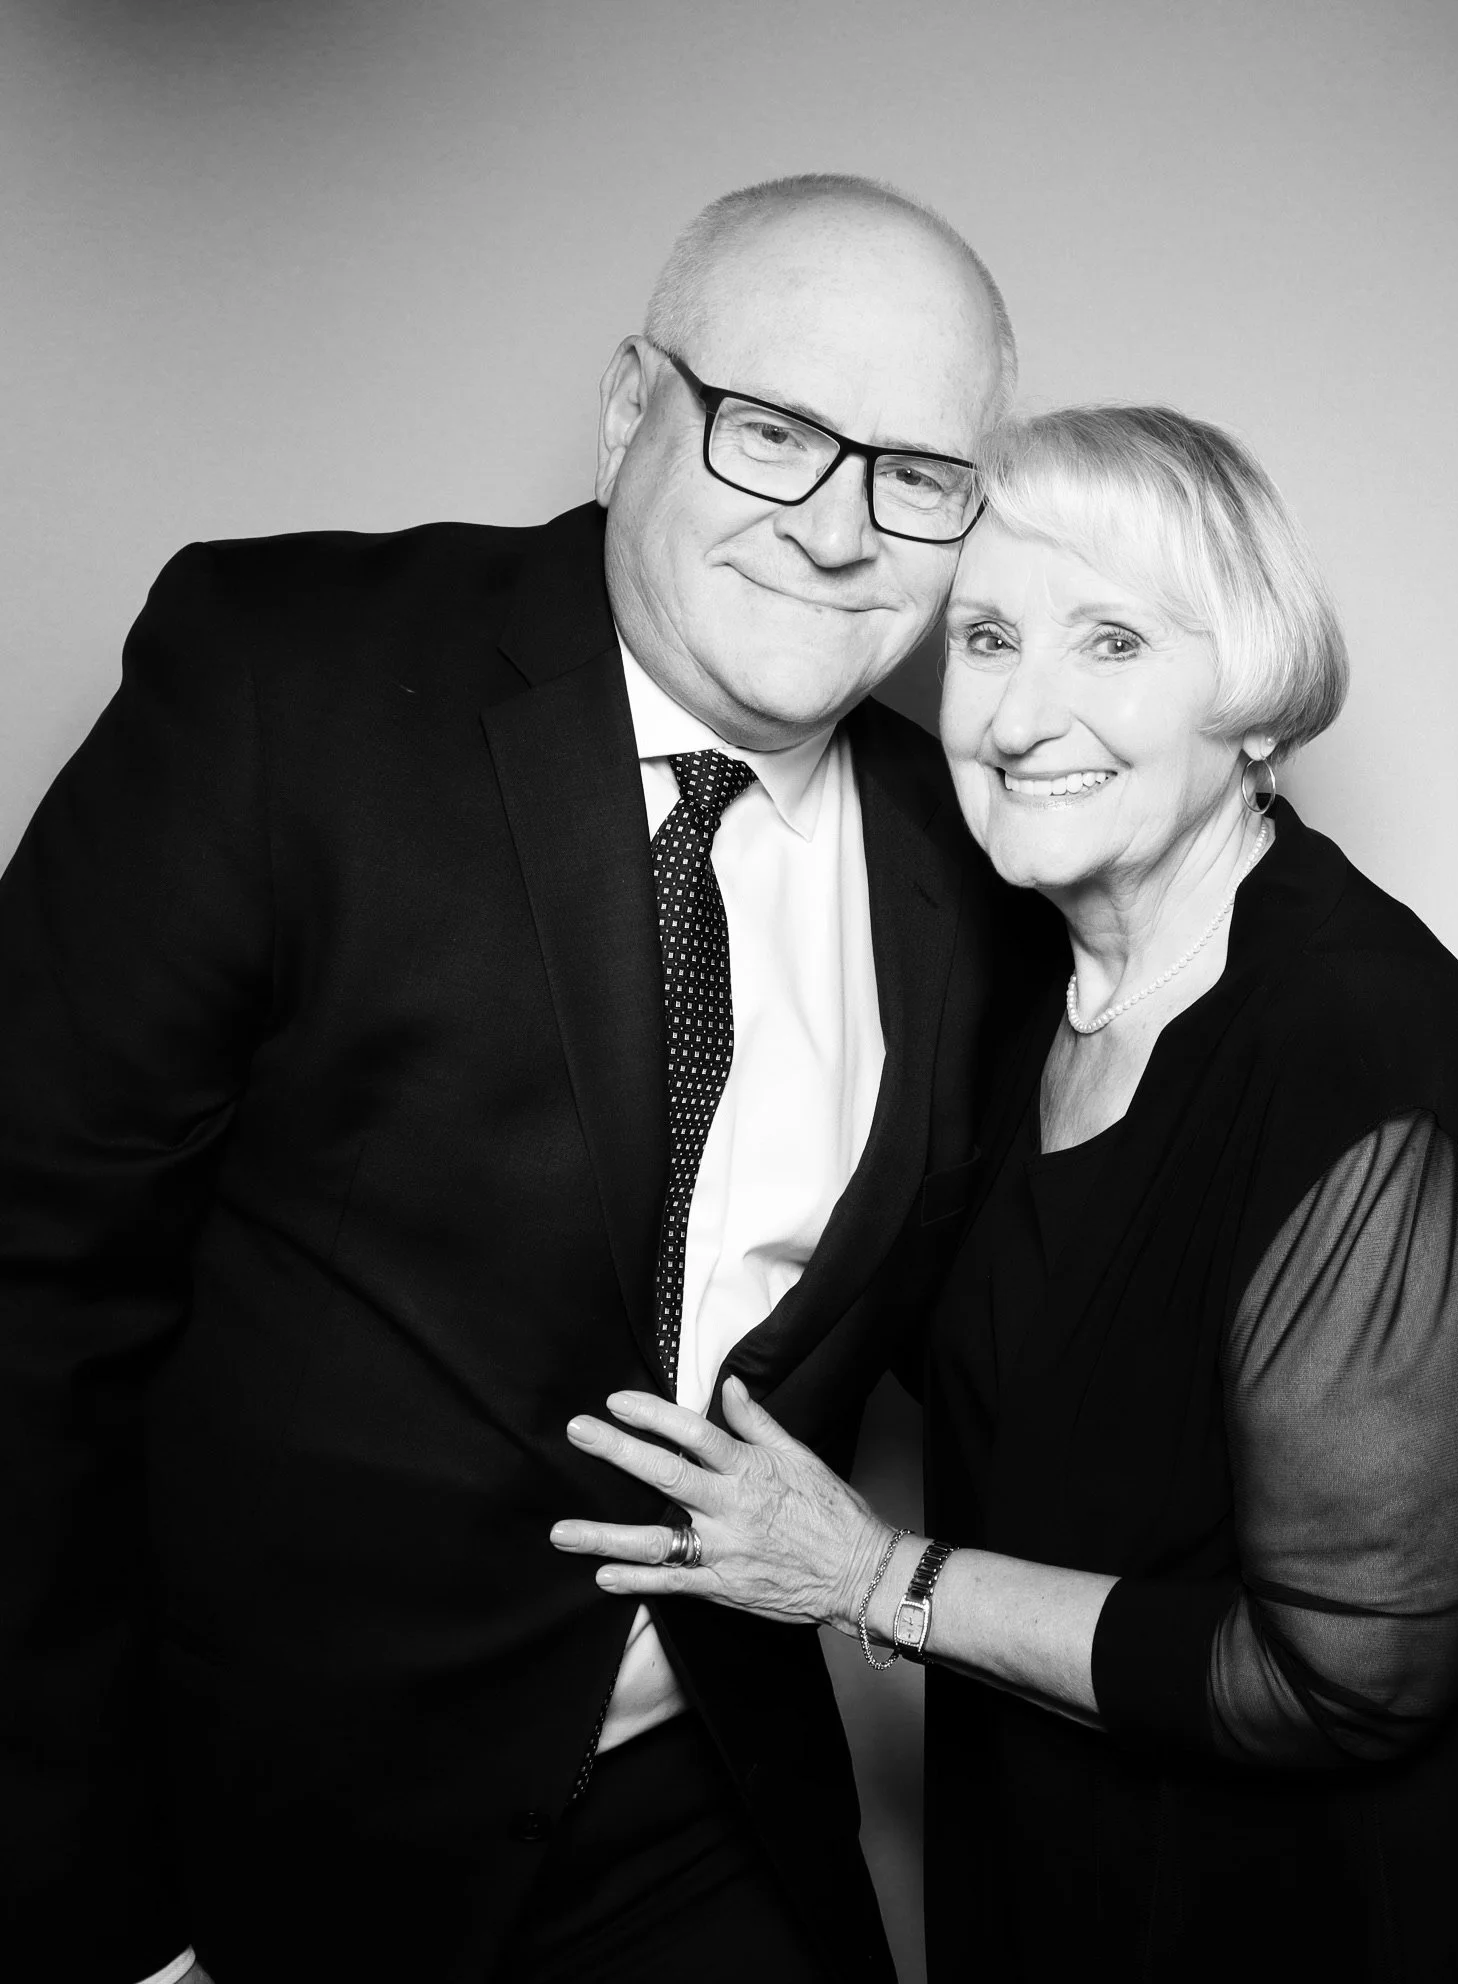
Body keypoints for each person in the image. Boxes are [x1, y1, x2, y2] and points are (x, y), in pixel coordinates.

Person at [0, 174, 1042, 1984]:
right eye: (774, 431)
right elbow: (28, 1290)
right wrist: (92, 1909)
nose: (836, 528)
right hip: (259, 1843)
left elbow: (1036, 1313)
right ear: (634, 405)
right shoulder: (286, 676)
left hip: (704, 1821)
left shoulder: (976, 857)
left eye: (916, 474)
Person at [552, 405, 1458, 1979]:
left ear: (1254, 704)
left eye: (1115, 641)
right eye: (988, 638)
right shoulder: (1013, 996)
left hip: (1326, 1910)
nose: (1022, 716)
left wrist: (869, 1577)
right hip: (1065, 1843)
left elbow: (1344, 1676)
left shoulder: (1362, 1044)